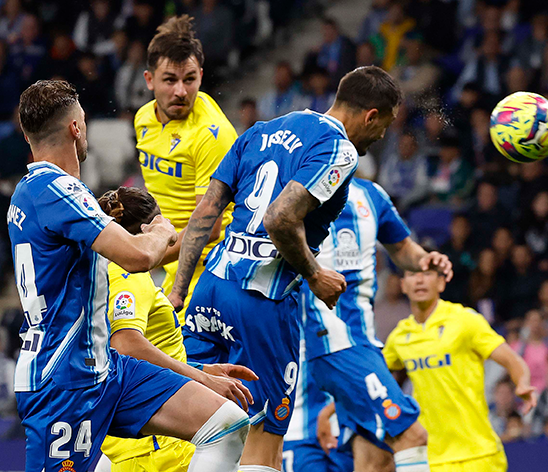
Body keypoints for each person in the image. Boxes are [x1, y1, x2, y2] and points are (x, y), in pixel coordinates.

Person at [10, 80, 250, 472]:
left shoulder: (32, 193)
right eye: (84, 121)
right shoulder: (56, 189)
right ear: (76, 128)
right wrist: (157, 230)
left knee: (225, 423)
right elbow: (138, 256)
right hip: (64, 381)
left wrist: (200, 373)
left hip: (105, 370)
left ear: (26, 134)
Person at [171, 66, 400, 471]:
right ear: (371, 116)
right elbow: (279, 218)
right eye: (385, 124)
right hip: (263, 302)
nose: (382, 136)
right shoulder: (339, 148)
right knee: (266, 439)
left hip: (210, 290)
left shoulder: (260, 130)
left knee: (216, 426)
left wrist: (178, 290)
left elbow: (206, 213)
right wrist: (315, 274)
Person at [288, 177, 452, 472]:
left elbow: (402, 247)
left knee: (375, 459)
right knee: (412, 436)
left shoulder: (372, 195)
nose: (381, 131)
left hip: (362, 340)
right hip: (332, 339)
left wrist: (426, 260)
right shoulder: (300, 188)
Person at [97, 187, 258, 471]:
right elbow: (126, 345)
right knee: (232, 427)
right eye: (164, 222)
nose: (171, 233)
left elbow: (137, 350)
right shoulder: (128, 276)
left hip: (141, 442)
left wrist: (204, 369)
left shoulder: (105, 273)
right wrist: (202, 380)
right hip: (155, 447)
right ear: (148, 230)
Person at [381, 265, 537, 472]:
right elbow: (371, 375)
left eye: (427, 274)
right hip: (432, 458)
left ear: (441, 282)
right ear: (403, 285)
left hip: (479, 454)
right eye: (412, 275)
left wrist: (523, 382)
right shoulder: (400, 336)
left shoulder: (465, 320)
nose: (419, 280)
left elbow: (511, 360)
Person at [134, 16, 237, 319]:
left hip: (215, 272)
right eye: (170, 80)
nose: (180, 91)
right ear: (149, 79)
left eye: (189, 79)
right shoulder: (143, 119)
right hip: (174, 266)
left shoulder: (211, 135)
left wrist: (145, 256)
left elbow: (210, 227)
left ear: (201, 77)